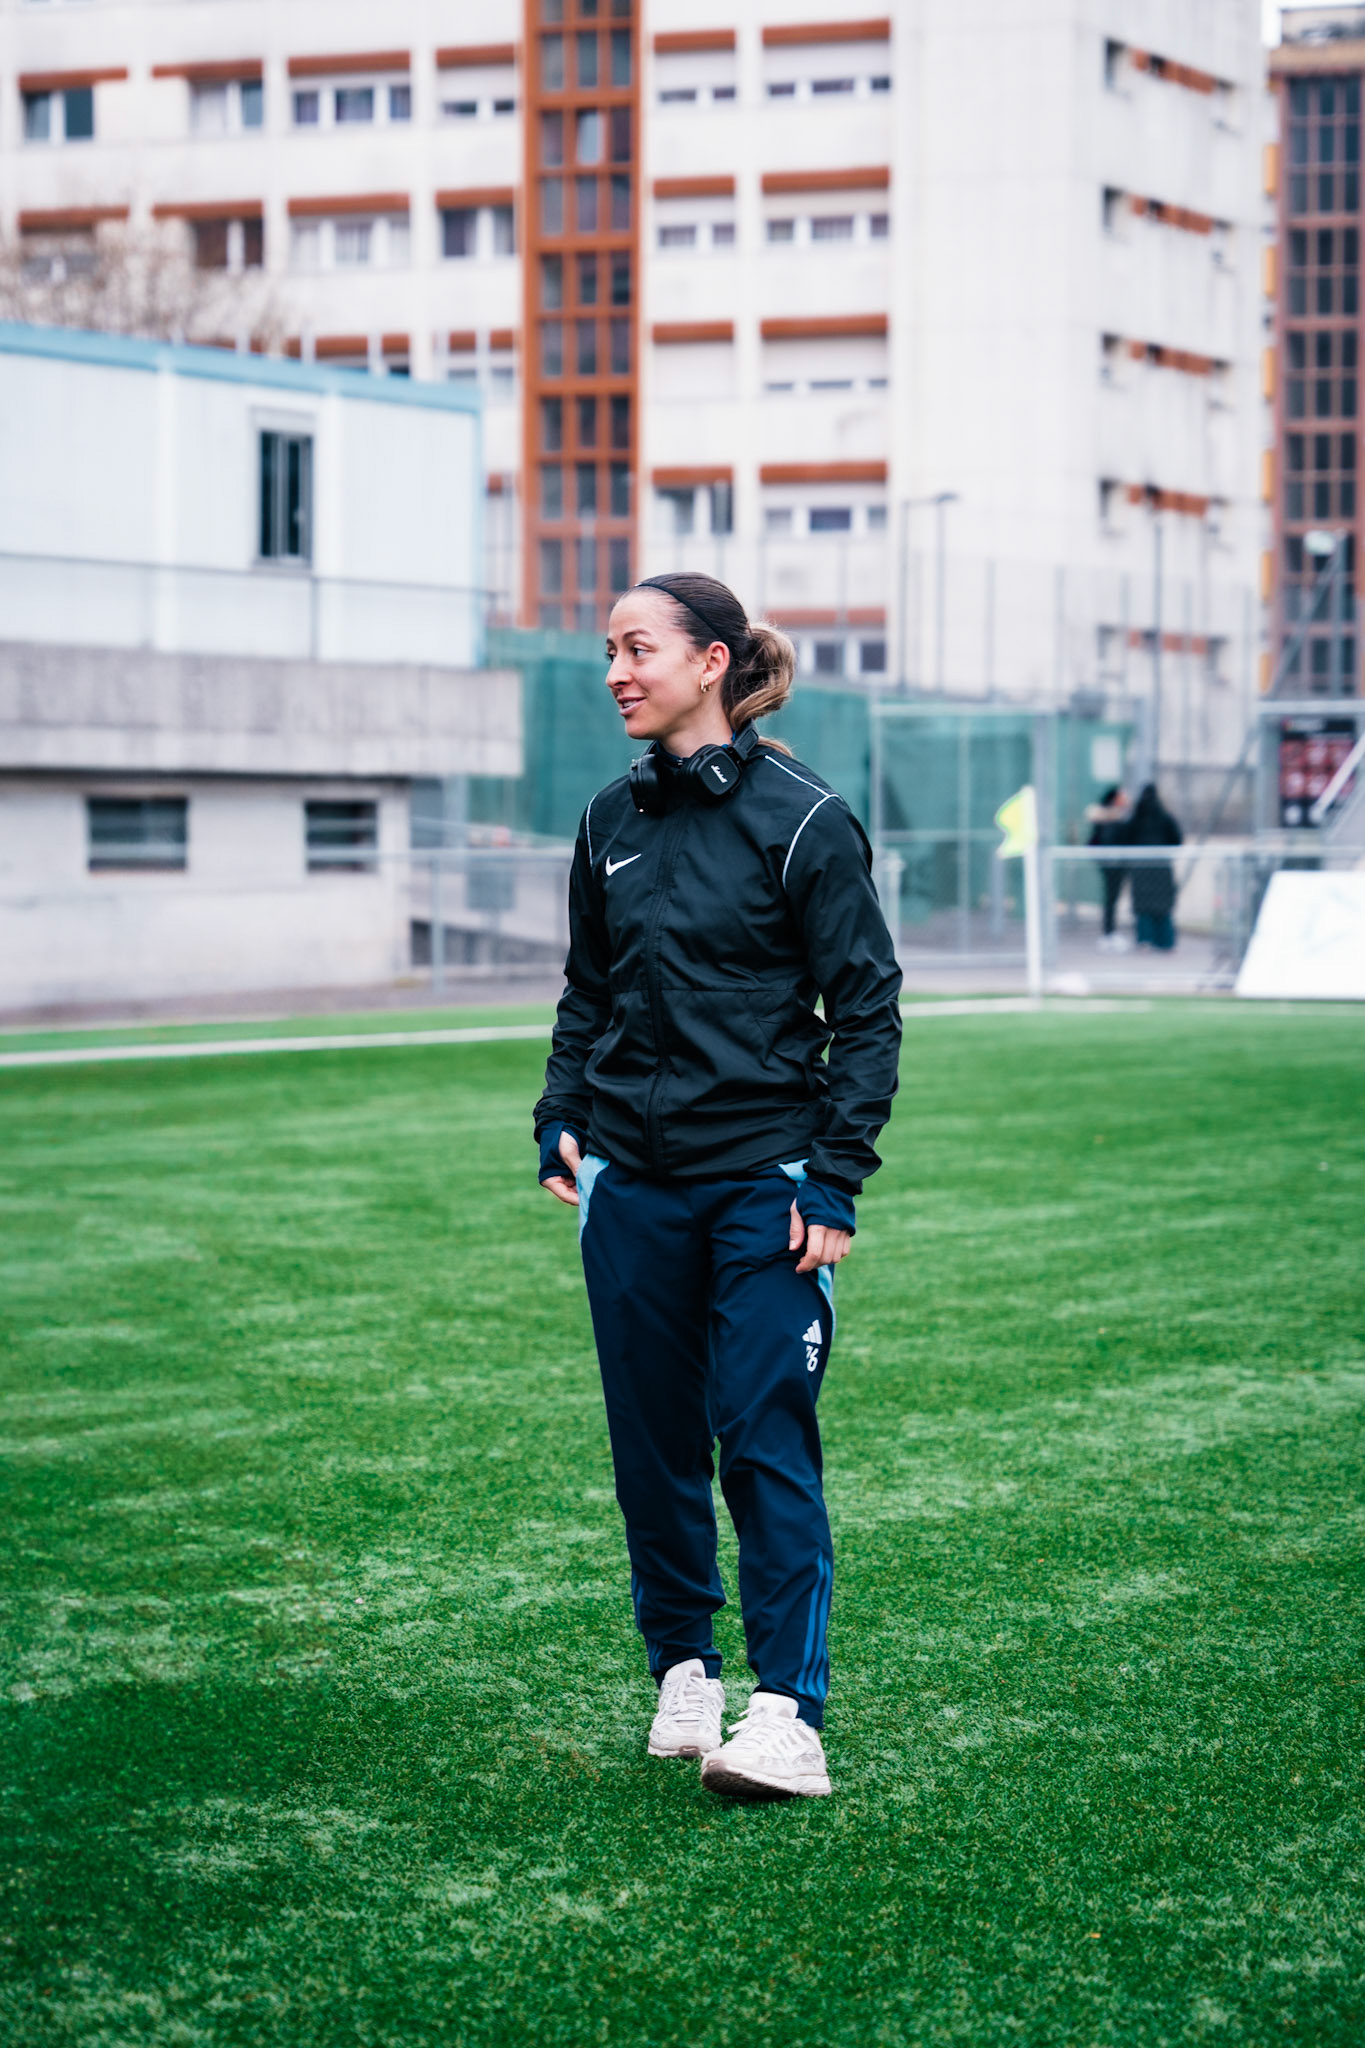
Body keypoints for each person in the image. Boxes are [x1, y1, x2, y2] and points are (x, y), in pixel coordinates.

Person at [534, 571, 902, 1803]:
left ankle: (789, 1714)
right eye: (609, 650)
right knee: (652, 1446)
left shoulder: (805, 820)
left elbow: (867, 1009)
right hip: (630, 1187)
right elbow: (588, 989)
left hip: (766, 1182)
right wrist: (561, 1114)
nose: (616, 672)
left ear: (712, 662)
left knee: (760, 1436)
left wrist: (835, 1180)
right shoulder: (609, 818)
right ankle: (684, 1670)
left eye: (638, 648)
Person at [1123, 782, 1182, 949]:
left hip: (1141, 866)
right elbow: (1176, 838)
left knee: (1143, 906)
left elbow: (1126, 837)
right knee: (1163, 906)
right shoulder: (1165, 817)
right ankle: (1165, 942)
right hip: (1161, 866)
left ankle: (1145, 940)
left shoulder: (1136, 817)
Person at [1085, 784, 1131, 951]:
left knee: (1112, 899)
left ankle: (1110, 932)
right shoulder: (1111, 819)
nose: (1125, 800)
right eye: (1121, 797)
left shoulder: (1112, 818)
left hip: (1113, 864)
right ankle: (1109, 933)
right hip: (1112, 865)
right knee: (1111, 899)